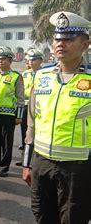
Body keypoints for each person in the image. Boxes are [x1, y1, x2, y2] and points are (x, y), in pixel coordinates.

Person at [22, 11, 91, 224]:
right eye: (57, 39)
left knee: (73, 219)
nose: (60, 44)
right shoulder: (41, 77)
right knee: (42, 216)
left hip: (78, 169)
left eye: (68, 39)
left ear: (85, 45)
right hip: (42, 164)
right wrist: (27, 162)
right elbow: (32, 122)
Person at [0, 46, 25, 177]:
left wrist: (19, 116)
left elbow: (20, 98)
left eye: (3, 59)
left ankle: (3, 167)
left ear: (10, 60)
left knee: (6, 142)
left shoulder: (16, 77)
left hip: (8, 114)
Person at [17, 49, 43, 157]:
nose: (31, 62)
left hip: (39, 107)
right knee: (25, 131)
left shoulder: (44, 74)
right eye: (29, 60)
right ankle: (25, 157)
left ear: (40, 61)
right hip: (25, 106)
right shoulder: (24, 74)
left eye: (34, 60)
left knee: (38, 132)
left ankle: (35, 156)